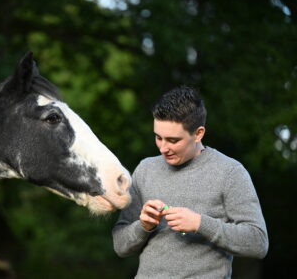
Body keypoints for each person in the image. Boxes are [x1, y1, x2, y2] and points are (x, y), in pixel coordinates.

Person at [112, 86, 268, 278]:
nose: (163, 147)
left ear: (198, 133)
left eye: (173, 140)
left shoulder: (230, 172)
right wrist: (143, 226)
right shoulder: (145, 170)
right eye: (158, 137)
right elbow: (120, 246)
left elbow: (258, 243)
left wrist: (200, 224)